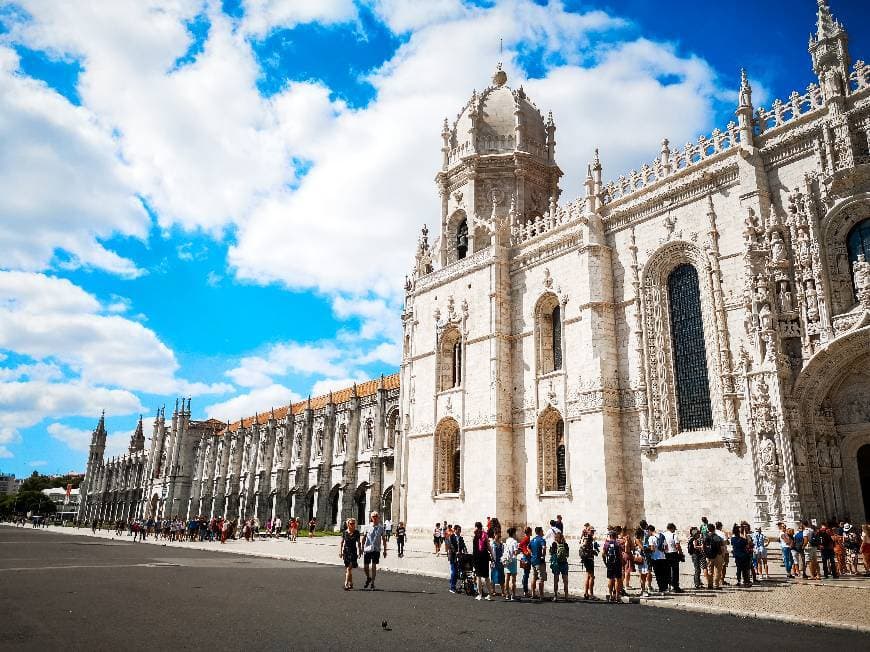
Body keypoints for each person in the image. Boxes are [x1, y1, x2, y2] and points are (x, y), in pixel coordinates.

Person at [362, 511, 388, 590]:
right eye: (373, 516)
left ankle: (372, 583)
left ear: (378, 517)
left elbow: (383, 539)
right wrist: (361, 548)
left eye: (376, 516)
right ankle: (368, 577)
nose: (375, 517)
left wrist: (385, 550)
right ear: (371, 517)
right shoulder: (367, 527)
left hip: (376, 549)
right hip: (367, 549)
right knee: (365, 566)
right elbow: (363, 538)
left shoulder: (381, 528)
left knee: (374, 566)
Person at [472, 522, 493, 600]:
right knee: (487, 577)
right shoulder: (485, 535)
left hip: (477, 558)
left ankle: (480, 594)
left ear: (476, 527)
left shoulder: (475, 535)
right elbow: (488, 547)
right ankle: (490, 594)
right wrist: (492, 556)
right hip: (485, 557)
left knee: (478, 577)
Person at [340, 517, 363, 590]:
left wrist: (360, 551)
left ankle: (346, 583)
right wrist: (340, 552)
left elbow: (359, 543)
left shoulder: (356, 532)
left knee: (349, 568)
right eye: (351, 523)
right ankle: (351, 583)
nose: (352, 525)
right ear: (348, 524)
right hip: (346, 551)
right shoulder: (344, 532)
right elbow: (341, 542)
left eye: (353, 523)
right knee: (348, 568)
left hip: (353, 551)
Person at [602, 528, 624, 603]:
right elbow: (621, 555)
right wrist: (622, 563)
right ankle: (617, 596)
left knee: (610, 579)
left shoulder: (606, 544)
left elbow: (603, 554)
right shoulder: (618, 543)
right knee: (618, 579)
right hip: (617, 563)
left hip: (610, 563)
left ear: (610, 536)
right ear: (615, 536)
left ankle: (610, 595)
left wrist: (605, 562)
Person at [646, 525, 668, 594]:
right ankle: (665, 588)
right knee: (663, 573)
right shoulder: (662, 536)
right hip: (663, 557)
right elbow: (666, 547)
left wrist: (647, 549)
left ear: (649, 530)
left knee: (658, 574)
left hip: (655, 558)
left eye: (647, 531)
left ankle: (661, 589)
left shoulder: (651, 538)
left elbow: (652, 548)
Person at [549, 530, 569, 601]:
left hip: (556, 564)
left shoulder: (554, 544)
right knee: (565, 580)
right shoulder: (565, 544)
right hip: (564, 563)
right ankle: (566, 596)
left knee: (556, 580)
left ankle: (555, 596)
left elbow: (551, 553)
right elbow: (567, 555)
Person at [663, 523, 683, 593]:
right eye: (674, 529)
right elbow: (677, 546)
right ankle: (675, 587)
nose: (674, 530)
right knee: (675, 571)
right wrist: (681, 553)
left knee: (667, 571)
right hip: (673, 554)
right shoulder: (674, 535)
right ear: (672, 528)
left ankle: (668, 586)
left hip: (665, 554)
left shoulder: (663, 535)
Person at [579, 524, 598, 600]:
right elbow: (584, 547)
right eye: (591, 531)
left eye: (593, 531)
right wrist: (591, 552)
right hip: (589, 559)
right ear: (588, 531)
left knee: (588, 576)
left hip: (587, 559)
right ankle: (591, 594)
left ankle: (586, 593)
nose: (593, 532)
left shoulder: (586, 537)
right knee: (592, 577)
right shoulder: (588, 538)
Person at [529, 526, 547, 601]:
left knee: (534, 577)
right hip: (539, 561)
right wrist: (543, 555)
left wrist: (532, 554)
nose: (543, 532)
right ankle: (541, 595)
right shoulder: (541, 540)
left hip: (533, 560)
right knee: (541, 578)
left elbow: (528, 547)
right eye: (542, 531)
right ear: (540, 532)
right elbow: (544, 547)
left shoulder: (532, 540)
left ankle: (533, 593)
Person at [446, 524, 465, 593]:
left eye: (460, 530)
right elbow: (450, 545)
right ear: (455, 530)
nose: (459, 531)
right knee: (454, 571)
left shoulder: (461, 538)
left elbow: (463, 546)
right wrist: (456, 552)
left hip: (459, 557)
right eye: (458, 530)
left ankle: (452, 582)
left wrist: (465, 552)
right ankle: (452, 587)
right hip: (453, 557)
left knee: (457, 572)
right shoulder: (451, 537)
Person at [503, 527, 519, 601]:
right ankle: (513, 595)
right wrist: (519, 551)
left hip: (506, 560)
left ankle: (507, 594)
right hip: (513, 560)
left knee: (507, 578)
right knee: (513, 579)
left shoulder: (507, 540)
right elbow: (515, 552)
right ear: (513, 533)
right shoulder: (514, 542)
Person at [518, 526, 532, 599]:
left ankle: (525, 590)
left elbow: (521, 546)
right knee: (526, 575)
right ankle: (525, 591)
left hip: (525, 557)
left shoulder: (527, 538)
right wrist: (526, 552)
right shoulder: (527, 538)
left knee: (526, 574)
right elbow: (521, 545)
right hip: (526, 558)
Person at [490, 530, 506, 598]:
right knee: (493, 577)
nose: (499, 537)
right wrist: (491, 561)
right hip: (494, 562)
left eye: (500, 536)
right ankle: (493, 591)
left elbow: (503, 553)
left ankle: (503, 591)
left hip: (500, 562)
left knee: (502, 576)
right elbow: (490, 553)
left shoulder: (501, 544)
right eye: (498, 535)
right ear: (494, 535)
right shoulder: (492, 543)